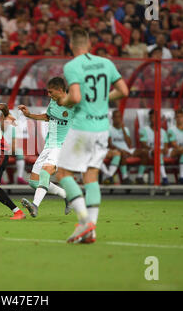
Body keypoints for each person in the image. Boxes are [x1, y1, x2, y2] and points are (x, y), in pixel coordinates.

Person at [54, 29, 129, 244]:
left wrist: (63, 101)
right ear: (89, 44)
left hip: (82, 129)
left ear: (71, 45)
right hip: (101, 129)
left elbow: (75, 97)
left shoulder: (72, 66)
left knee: (63, 172)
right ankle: (92, 232)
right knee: (91, 176)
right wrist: (104, 98)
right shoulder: (106, 63)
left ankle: (84, 220)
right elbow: (124, 91)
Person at [18, 77, 73, 217]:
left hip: (62, 146)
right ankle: (67, 195)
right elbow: (47, 117)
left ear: (60, 90)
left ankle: (35, 206)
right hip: (49, 145)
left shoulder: (73, 105)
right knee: (34, 181)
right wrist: (29, 115)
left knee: (44, 173)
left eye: (51, 92)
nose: (49, 95)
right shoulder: (53, 102)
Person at [101, 110, 138, 185]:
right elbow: (109, 144)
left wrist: (123, 130)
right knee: (121, 154)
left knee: (143, 152)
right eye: (116, 117)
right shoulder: (109, 129)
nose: (118, 119)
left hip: (126, 150)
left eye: (119, 117)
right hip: (115, 150)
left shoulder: (125, 129)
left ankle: (139, 177)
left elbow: (129, 144)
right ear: (112, 118)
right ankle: (124, 177)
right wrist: (121, 150)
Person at [138, 109, 170, 186]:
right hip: (150, 152)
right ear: (149, 118)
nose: (153, 119)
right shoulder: (144, 130)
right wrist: (154, 149)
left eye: (155, 117)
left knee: (160, 153)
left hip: (161, 152)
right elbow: (143, 144)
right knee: (157, 153)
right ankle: (164, 177)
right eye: (151, 117)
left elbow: (166, 146)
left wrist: (164, 149)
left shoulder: (163, 131)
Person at [0, 113, 27, 185]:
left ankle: (20, 178)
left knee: (20, 152)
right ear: (0, 119)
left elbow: (14, 143)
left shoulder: (12, 128)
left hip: (9, 150)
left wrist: (12, 150)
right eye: (4, 118)